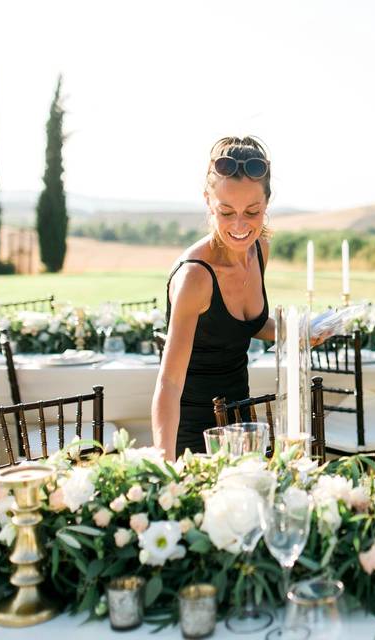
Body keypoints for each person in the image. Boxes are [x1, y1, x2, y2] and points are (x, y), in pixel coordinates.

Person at [151, 136, 276, 459]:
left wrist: (302, 330)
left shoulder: (260, 249)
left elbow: (243, 325)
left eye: (252, 211)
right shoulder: (195, 276)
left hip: (243, 425)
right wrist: (165, 464)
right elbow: (169, 383)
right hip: (195, 436)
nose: (239, 225)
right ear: (208, 201)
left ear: (267, 202)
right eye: (226, 211)